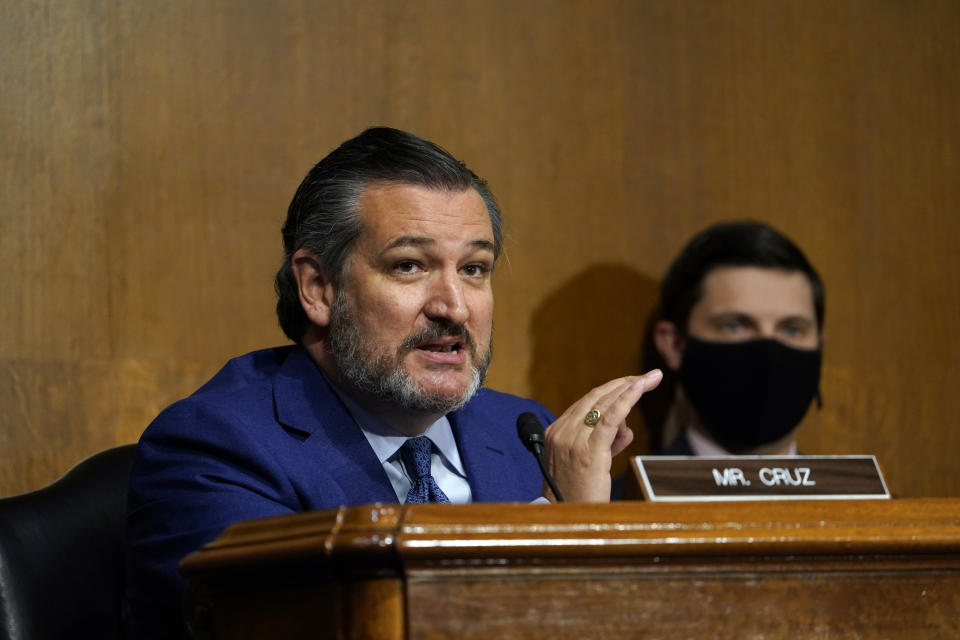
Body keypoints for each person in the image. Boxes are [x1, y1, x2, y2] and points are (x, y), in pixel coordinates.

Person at [124, 127, 662, 639]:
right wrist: (554, 524)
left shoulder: (529, 435)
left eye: (474, 269)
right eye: (409, 266)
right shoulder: (216, 447)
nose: (453, 306)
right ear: (318, 287)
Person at [644, 220, 824, 457]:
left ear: (821, 346)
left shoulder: (872, 495)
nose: (768, 353)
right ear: (674, 345)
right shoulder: (606, 495)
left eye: (791, 329)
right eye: (735, 325)